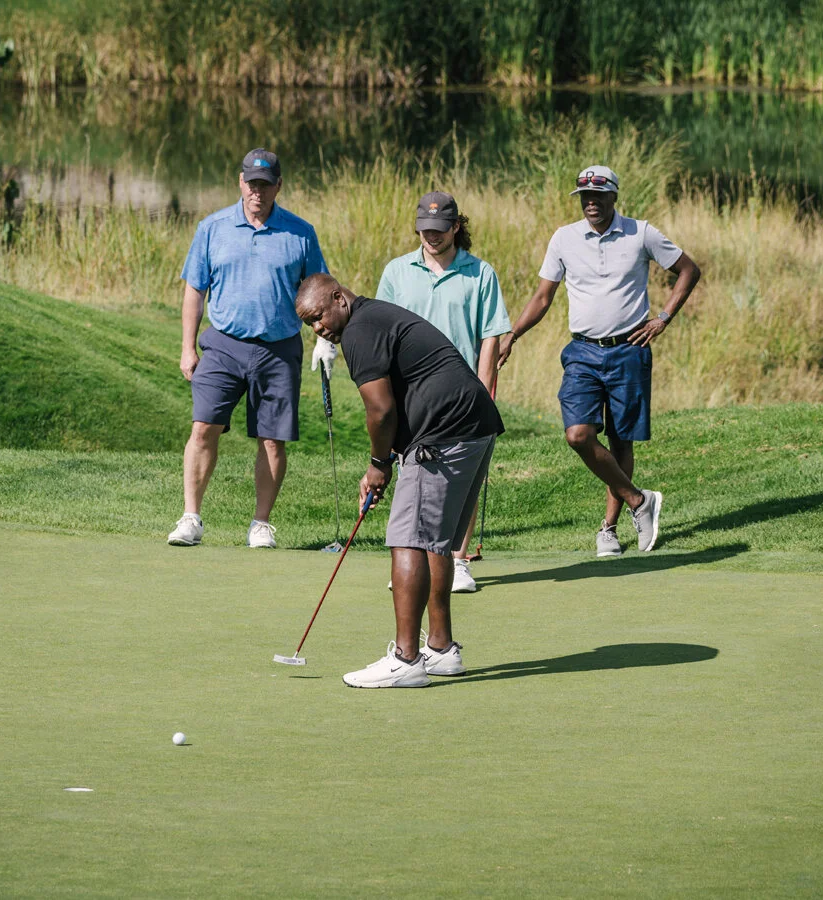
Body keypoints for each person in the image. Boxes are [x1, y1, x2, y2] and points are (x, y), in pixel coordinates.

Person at [295, 273, 505, 688]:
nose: (318, 329)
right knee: (433, 541)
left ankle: (407, 659)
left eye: (319, 317)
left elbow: (381, 410)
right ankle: (441, 650)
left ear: (339, 298)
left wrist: (379, 463)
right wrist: (389, 456)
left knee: (407, 538)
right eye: (310, 324)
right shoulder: (373, 317)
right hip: (473, 424)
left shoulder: (358, 331)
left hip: (443, 432)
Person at [497, 165, 701, 557]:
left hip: (630, 348)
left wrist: (663, 318)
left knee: (621, 439)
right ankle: (640, 502)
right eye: (584, 196)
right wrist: (513, 336)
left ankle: (608, 529)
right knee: (578, 435)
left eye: (598, 195)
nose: (590, 202)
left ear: (614, 196)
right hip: (583, 352)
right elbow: (542, 298)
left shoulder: (641, 233)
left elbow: (688, 270)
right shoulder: (564, 238)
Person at [168, 148, 329, 549]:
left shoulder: (300, 232)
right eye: (251, 183)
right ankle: (191, 517)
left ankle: (260, 524)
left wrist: (325, 339)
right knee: (203, 427)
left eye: (265, 184)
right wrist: (188, 347)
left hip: (278, 348)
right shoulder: (213, 227)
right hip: (223, 344)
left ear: (278, 186)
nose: (257, 191)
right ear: (240, 182)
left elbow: (319, 291)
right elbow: (194, 289)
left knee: (272, 439)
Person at [376, 190, 511, 592]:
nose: (431, 237)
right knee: (411, 476)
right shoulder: (397, 272)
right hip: (412, 393)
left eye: (439, 229)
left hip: (463, 395)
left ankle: (458, 559)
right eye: (424, 230)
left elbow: (490, 336)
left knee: (462, 477)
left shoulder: (480, 273)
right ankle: (412, 562)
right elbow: (383, 334)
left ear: (456, 227)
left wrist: (485, 392)